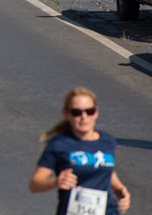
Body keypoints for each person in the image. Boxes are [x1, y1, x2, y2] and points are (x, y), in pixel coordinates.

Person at [29, 87, 131, 215]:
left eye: (89, 111)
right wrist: (56, 182)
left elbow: (105, 168)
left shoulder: (107, 141)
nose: (84, 117)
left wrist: (120, 189)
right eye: (76, 112)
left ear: (96, 112)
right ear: (66, 114)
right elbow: (35, 184)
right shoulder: (59, 144)